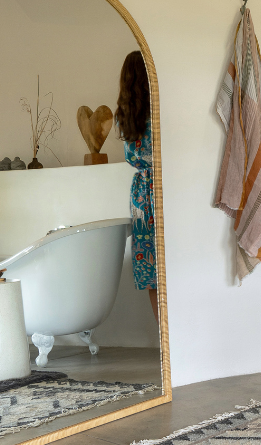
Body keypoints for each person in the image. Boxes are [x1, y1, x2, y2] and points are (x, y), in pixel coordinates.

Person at [117, 50, 159, 320]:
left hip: (141, 197)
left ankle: (162, 337)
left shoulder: (126, 115)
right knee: (171, 264)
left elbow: (132, 157)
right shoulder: (158, 111)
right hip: (162, 190)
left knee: (152, 273)